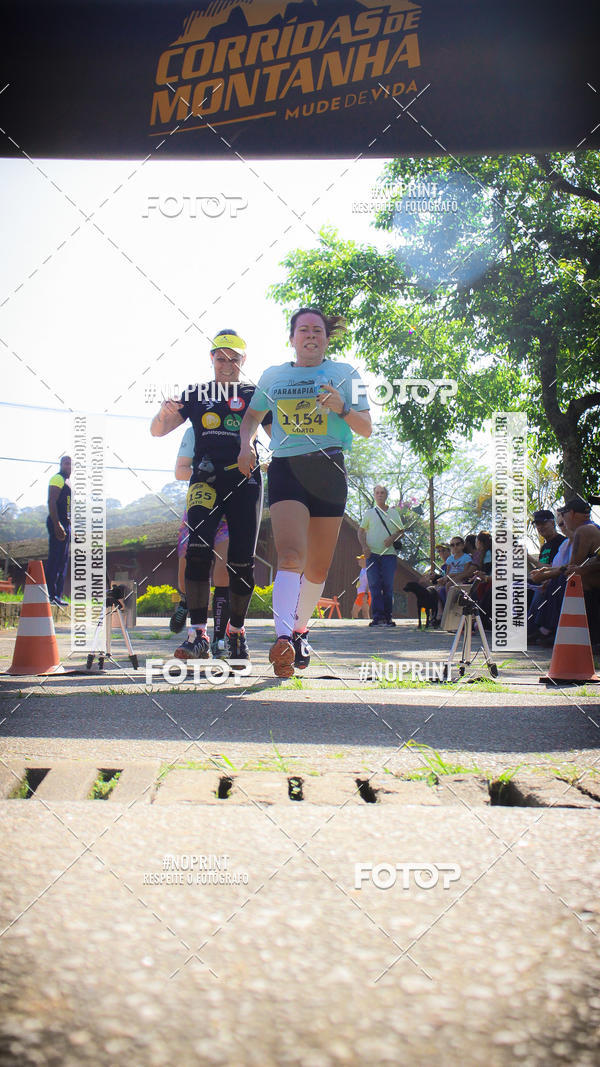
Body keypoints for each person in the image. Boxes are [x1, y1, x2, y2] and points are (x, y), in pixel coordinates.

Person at [238, 306, 372, 677]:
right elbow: (252, 415)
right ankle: (282, 641)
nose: (311, 335)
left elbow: (366, 429)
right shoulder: (273, 376)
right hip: (287, 468)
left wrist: (342, 408)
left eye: (317, 330)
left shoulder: (347, 374)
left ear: (327, 339)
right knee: (291, 556)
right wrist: (245, 445)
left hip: (329, 467)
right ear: (292, 338)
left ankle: (299, 631)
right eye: (303, 330)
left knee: (318, 567)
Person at [151, 329, 270, 664]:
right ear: (212, 359)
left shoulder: (254, 393)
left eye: (234, 358)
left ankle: (235, 633)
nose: (227, 364)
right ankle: (198, 635)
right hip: (204, 479)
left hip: (245, 480)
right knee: (198, 554)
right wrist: (163, 412)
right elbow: (158, 430)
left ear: (243, 361)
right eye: (221, 358)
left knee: (242, 562)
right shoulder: (197, 392)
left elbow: (280, 436)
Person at [170, 424, 231, 659]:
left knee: (224, 570)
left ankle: (216, 638)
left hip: (228, 507)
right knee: (188, 566)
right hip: (199, 503)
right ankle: (186, 602)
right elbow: (180, 471)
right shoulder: (193, 431)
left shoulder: (239, 425)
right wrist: (206, 472)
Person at [358, 485, 404, 627]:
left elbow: (401, 530)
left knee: (388, 586)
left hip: (389, 555)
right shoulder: (369, 513)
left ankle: (388, 617)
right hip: (372, 554)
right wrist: (364, 547)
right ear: (374, 495)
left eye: (382, 493)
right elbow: (360, 531)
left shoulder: (393, 513)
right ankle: (377, 617)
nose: (379, 495)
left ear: (386, 495)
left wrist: (392, 538)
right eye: (377, 493)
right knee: (374, 585)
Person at [46, 455, 71, 606]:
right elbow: (51, 501)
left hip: (66, 524)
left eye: (71, 464)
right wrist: (57, 524)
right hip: (57, 523)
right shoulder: (57, 478)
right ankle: (50, 595)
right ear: (61, 465)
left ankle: (58, 596)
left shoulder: (69, 482)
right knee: (55, 559)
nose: (68, 466)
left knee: (63, 561)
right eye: (66, 463)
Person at [351, 554, 371, 619]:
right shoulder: (363, 569)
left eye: (360, 559)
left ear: (365, 560)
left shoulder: (368, 570)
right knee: (363, 612)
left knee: (357, 612)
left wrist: (366, 594)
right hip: (361, 593)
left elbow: (369, 582)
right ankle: (363, 627)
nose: (358, 561)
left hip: (365, 594)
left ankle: (360, 627)